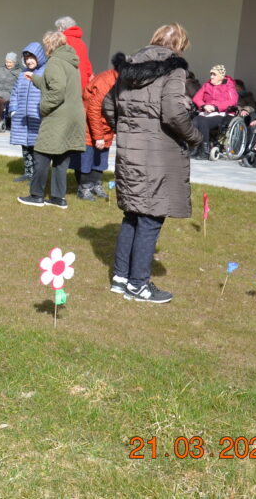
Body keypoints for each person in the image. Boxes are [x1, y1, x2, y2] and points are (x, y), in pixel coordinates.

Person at [103, 24, 202, 303]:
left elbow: (108, 105)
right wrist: (194, 136)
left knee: (133, 214)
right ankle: (138, 285)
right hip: (159, 154)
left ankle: (121, 277)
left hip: (130, 152)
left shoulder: (129, 65)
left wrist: (127, 130)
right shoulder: (174, 69)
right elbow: (173, 112)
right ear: (179, 46)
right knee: (149, 218)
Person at [17, 31, 84, 208]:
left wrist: (43, 108)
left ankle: (36, 195)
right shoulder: (71, 61)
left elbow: (56, 91)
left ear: (50, 45)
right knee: (61, 158)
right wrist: (35, 79)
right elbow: (55, 84)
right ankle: (58, 198)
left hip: (58, 116)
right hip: (73, 117)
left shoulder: (54, 61)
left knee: (41, 154)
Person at [73, 55, 123, 200]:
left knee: (100, 159)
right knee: (87, 159)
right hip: (91, 125)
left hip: (106, 126)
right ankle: (84, 189)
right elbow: (93, 110)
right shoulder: (105, 82)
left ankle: (96, 185)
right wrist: (98, 136)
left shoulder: (121, 81)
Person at [7, 44, 48, 182]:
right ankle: (28, 172)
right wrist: (13, 109)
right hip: (22, 118)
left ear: (39, 57)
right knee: (25, 145)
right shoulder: (22, 74)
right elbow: (15, 93)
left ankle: (37, 175)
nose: (29, 61)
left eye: (32, 58)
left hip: (37, 116)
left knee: (36, 147)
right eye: (27, 59)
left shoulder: (45, 72)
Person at [190, 64, 238, 158]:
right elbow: (196, 98)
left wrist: (215, 107)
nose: (211, 76)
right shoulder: (207, 85)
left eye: (214, 74)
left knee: (202, 120)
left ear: (221, 76)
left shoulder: (229, 86)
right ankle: (195, 147)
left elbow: (233, 101)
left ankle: (205, 149)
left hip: (222, 113)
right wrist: (203, 105)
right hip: (206, 112)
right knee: (194, 121)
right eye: (211, 74)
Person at [54, 16, 94, 88]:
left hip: (68, 81)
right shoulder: (81, 43)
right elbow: (87, 63)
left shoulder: (63, 41)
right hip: (82, 80)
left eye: (58, 28)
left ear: (61, 28)